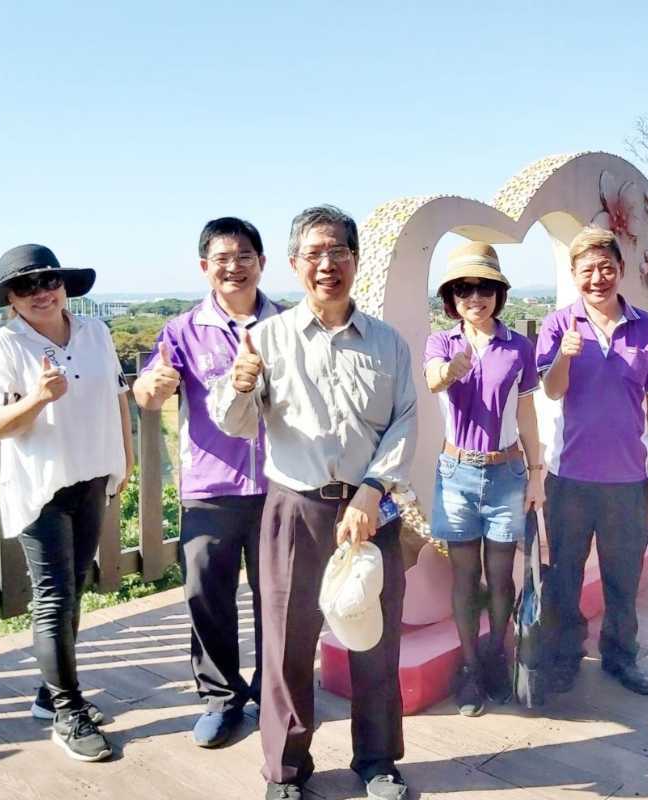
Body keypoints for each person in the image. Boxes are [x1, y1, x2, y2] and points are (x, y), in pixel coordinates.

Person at [210, 205, 416, 800]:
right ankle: (285, 769)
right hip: (294, 509)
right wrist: (240, 381)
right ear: (296, 264)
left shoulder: (388, 343)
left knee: (374, 638)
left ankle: (378, 761)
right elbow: (234, 422)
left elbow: (405, 421)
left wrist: (373, 490)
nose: (328, 265)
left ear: (355, 260)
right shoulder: (267, 339)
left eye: (339, 252)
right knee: (286, 645)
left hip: (370, 509)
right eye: (315, 254)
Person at [0, 244, 133, 762]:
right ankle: (68, 712)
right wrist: (40, 397)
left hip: (91, 476)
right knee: (54, 598)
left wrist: (125, 459)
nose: (42, 293)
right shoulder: (4, 346)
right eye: (27, 287)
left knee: (75, 587)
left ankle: (51, 694)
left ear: (64, 284)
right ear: (11, 301)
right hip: (41, 488)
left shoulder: (95, 332)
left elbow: (115, 396)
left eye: (49, 281)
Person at [133, 217, 280, 747]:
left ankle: (273, 693)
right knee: (207, 595)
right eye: (222, 258)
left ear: (262, 263)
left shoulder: (286, 325)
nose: (234, 267)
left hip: (278, 486)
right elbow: (149, 395)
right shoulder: (181, 331)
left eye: (244, 256)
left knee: (278, 597)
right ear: (204, 268)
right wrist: (150, 386)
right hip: (209, 488)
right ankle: (221, 698)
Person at [535, 226, 648, 697]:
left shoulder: (645, 327)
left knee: (623, 575)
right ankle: (565, 655)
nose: (598, 278)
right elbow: (551, 390)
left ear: (620, 270)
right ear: (574, 275)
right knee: (565, 575)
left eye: (606, 267)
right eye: (587, 269)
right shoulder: (558, 325)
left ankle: (620, 656)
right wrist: (564, 358)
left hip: (627, 476)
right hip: (570, 476)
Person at [424, 242, 544, 717]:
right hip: (456, 473)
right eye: (465, 288)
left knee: (500, 576)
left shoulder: (518, 346)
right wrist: (452, 370)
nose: (476, 296)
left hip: (507, 472)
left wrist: (536, 474)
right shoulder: (443, 343)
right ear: (452, 298)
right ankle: (471, 667)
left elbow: (529, 414)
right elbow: (434, 378)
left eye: (485, 287)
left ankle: (497, 656)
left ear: (498, 292)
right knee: (464, 575)